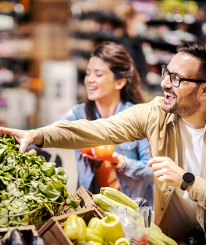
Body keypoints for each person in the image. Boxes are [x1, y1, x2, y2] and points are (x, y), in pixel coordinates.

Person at [0, 42, 206, 245]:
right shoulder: (155, 113)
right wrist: (38, 135)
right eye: (167, 73)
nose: (166, 83)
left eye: (177, 79)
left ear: (205, 90)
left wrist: (186, 180)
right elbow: (97, 130)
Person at [56, 41, 154, 205]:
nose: (90, 80)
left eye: (98, 74)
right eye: (88, 73)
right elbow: (49, 133)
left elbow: (152, 174)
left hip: (134, 213)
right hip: (95, 213)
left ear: (120, 82)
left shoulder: (138, 118)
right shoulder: (79, 115)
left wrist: (118, 159)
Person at [118, 5, 148, 86]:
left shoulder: (137, 42)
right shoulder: (125, 45)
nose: (143, 26)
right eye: (139, 22)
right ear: (129, 21)